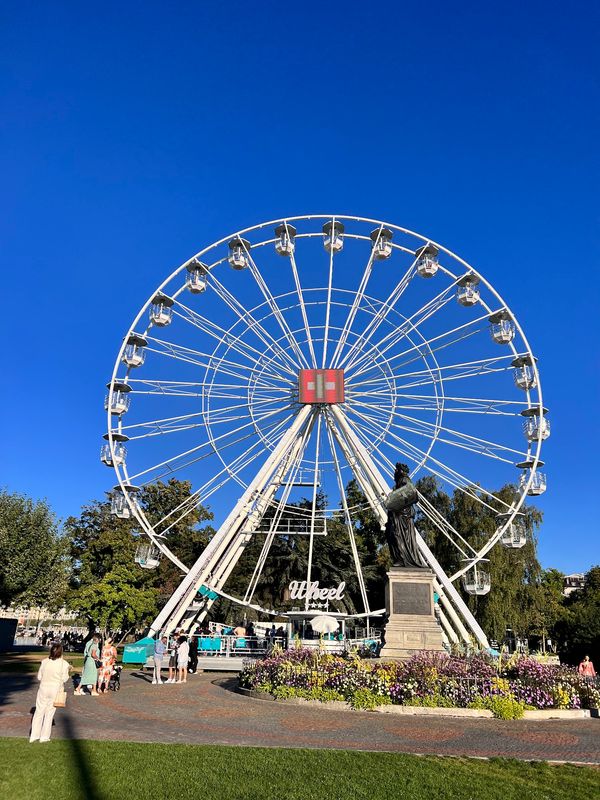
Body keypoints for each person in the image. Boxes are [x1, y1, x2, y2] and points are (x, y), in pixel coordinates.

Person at [384, 462, 427, 569]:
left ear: (400, 471)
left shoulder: (404, 480)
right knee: (393, 535)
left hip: (403, 516)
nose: (394, 472)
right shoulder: (400, 482)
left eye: (396, 470)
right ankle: (401, 558)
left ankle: (403, 558)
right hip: (398, 516)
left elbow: (410, 494)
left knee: (399, 536)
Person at [30, 642, 71, 743]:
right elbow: (65, 679)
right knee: (49, 714)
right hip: (55, 689)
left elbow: (39, 677)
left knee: (39, 711)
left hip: (43, 687)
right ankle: (44, 737)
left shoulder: (45, 662)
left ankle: (34, 735)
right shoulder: (64, 664)